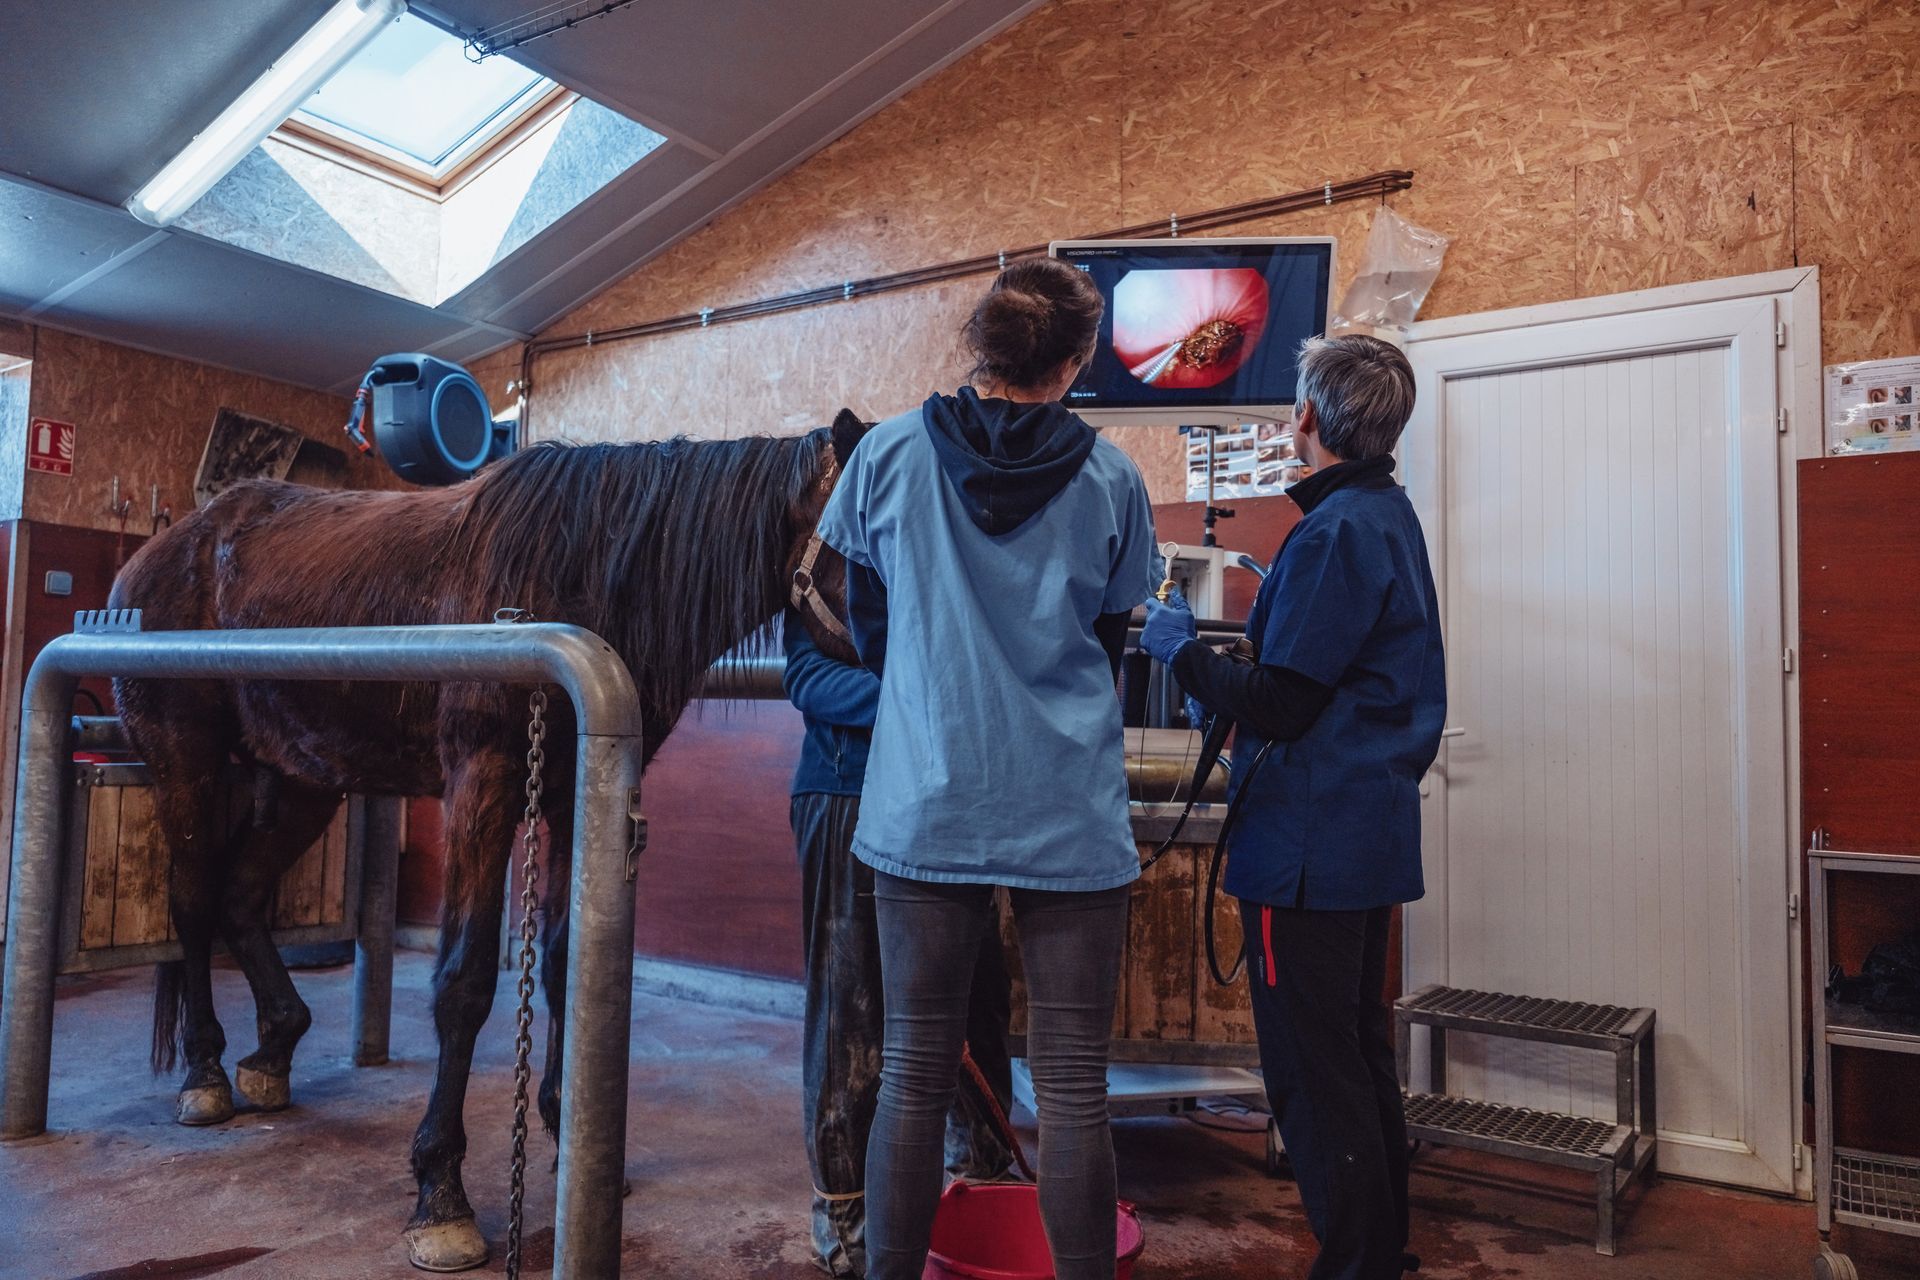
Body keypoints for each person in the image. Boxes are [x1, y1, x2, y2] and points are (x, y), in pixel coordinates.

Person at [814, 257, 1157, 1280]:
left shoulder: (885, 456)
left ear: (980, 344)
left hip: (928, 798)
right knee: (1075, 1086)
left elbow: (867, 629)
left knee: (913, 1074)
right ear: (1077, 360)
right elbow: (1109, 643)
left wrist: (939, 688)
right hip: (1068, 806)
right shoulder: (1113, 478)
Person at [1140, 334, 1444, 1280]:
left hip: (1311, 846)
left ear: (1308, 417)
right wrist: (1224, 678)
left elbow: (1283, 702)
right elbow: (1317, 681)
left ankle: (1354, 1264)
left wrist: (1182, 653)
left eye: (1295, 403)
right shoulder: (1385, 515)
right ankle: (1378, 1254)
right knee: (1354, 1053)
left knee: (1314, 1072)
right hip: (1361, 833)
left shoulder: (1335, 531)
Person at [782, 606, 1016, 1278]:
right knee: (849, 1012)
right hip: (848, 788)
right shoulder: (831, 554)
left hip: (948, 794)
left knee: (978, 988)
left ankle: (982, 1171)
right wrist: (925, 696)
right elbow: (806, 675)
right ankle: (843, 1213)